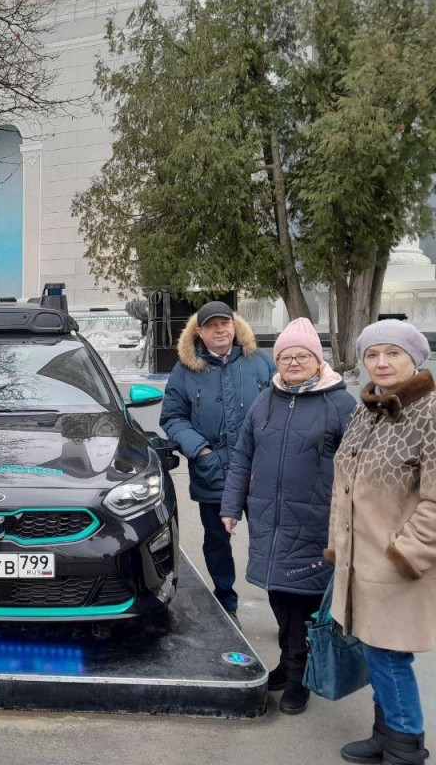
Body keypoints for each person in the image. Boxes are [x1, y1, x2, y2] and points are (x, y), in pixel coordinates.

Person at [221, 318, 355, 714]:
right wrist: (231, 506)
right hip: (269, 519)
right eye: (285, 356)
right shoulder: (266, 400)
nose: (293, 362)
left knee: (305, 601)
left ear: (318, 360)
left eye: (302, 356)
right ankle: (288, 661)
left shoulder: (341, 404)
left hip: (317, 522)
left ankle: (299, 676)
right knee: (279, 595)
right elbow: (243, 455)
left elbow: (358, 466)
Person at [327, 320, 435, 765]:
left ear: (415, 358)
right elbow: (346, 486)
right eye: (373, 354)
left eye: (392, 353)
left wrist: (404, 553)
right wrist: (338, 545)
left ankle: (405, 748)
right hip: (358, 560)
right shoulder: (367, 408)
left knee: (389, 657)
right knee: (375, 650)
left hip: (395, 565)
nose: (382, 362)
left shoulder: (428, 413)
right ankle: (385, 732)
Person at [160, 300, 275, 624]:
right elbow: (172, 417)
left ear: (234, 325)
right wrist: (202, 451)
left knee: (269, 540)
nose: (220, 330)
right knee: (217, 542)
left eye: (225, 323)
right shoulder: (186, 370)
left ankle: (284, 606)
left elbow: (284, 404)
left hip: (260, 472)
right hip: (213, 472)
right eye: (212, 325)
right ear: (200, 331)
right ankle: (227, 603)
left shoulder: (259, 362)